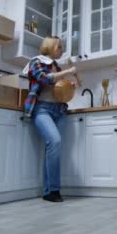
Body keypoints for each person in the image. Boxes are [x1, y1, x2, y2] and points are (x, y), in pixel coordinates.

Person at [22, 36, 77, 203]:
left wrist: (68, 86)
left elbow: (57, 89)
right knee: (55, 141)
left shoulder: (56, 66)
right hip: (42, 109)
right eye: (59, 46)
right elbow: (44, 78)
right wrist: (67, 72)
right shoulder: (36, 61)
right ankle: (54, 189)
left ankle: (48, 191)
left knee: (52, 148)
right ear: (50, 47)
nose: (61, 49)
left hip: (58, 110)